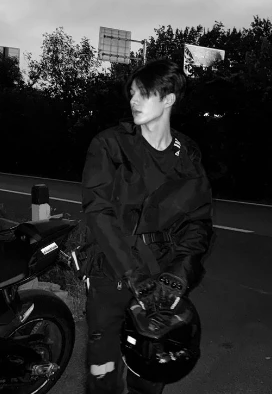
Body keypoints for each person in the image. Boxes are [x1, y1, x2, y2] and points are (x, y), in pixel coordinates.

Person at [81, 58, 214, 394]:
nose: (133, 100)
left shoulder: (188, 154)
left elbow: (198, 222)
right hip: (112, 271)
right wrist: (133, 275)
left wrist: (178, 275)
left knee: (152, 364)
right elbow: (99, 212)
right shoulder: (110, 144)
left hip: (162, 274)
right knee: (103, 364)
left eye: (143, 93)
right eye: (131, 93)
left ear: (168, 99)